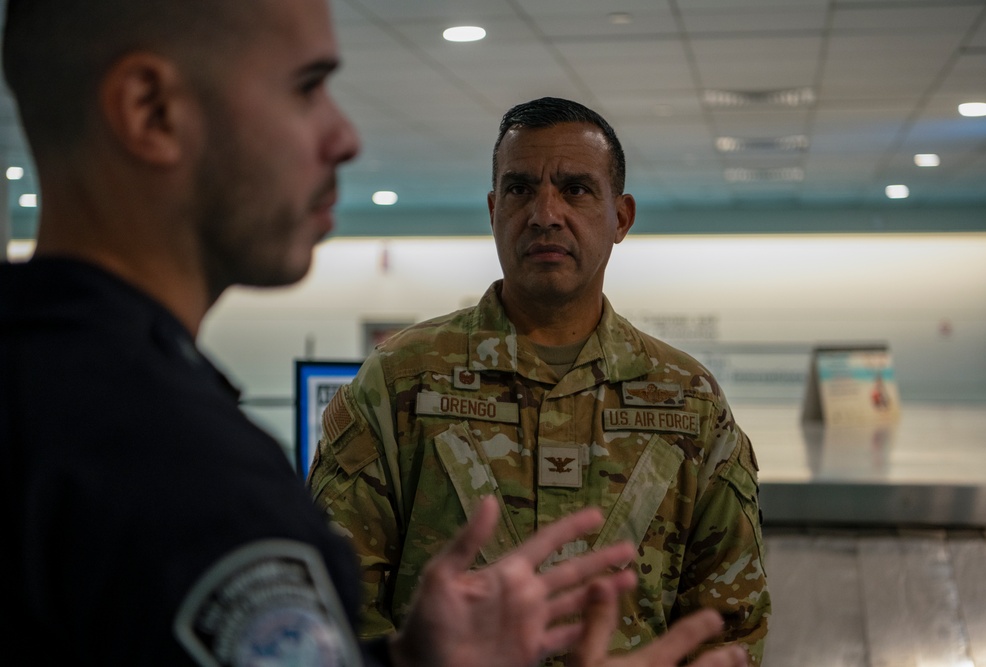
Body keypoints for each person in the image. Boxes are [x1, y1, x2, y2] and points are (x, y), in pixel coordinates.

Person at [0, 1, 750, 666]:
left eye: (575, 190)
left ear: (620, 217)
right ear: (150, 109)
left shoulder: (91, 418)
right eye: (305, 86)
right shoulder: (188, 477)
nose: (347, 136)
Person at [308, 97, 771, 665]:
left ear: (620, 217)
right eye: (520, 188)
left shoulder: (687, 398)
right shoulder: (402, 381)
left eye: (575, 188)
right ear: (493, 209)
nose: (544, 213)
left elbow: (729, 621)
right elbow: (337, 603)